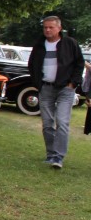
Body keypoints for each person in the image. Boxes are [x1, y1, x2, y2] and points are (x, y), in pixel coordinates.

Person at [28, 16, 85, 169]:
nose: (47, 30)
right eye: (45, 27)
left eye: (51, 27)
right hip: (46, 88)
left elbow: (80, 63)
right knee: (47, 124)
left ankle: (58, 157)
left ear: (59, 28)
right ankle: (50, 154)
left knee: (62, 122)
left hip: (65, 89)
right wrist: (38, 83)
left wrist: (73, 83)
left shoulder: (69, 43)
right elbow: (31, 64)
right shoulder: (39, 45)